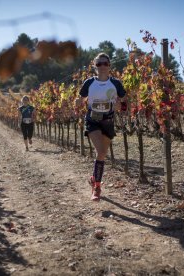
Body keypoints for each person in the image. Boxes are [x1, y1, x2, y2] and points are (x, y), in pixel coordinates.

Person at [75, 53, 127, 201]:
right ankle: (97, 187)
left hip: (108, 121)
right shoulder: (89, 83)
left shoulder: (115, 83)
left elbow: (124, 100)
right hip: (93, 120)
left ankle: (94, 178)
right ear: (95, 66)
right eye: (99, 64)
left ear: (109, 66)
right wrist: (78, 102)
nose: (102, 67)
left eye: (105, 63)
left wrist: (120, 105)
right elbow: (80, 98)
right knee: (101, 151)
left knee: (102, 155)